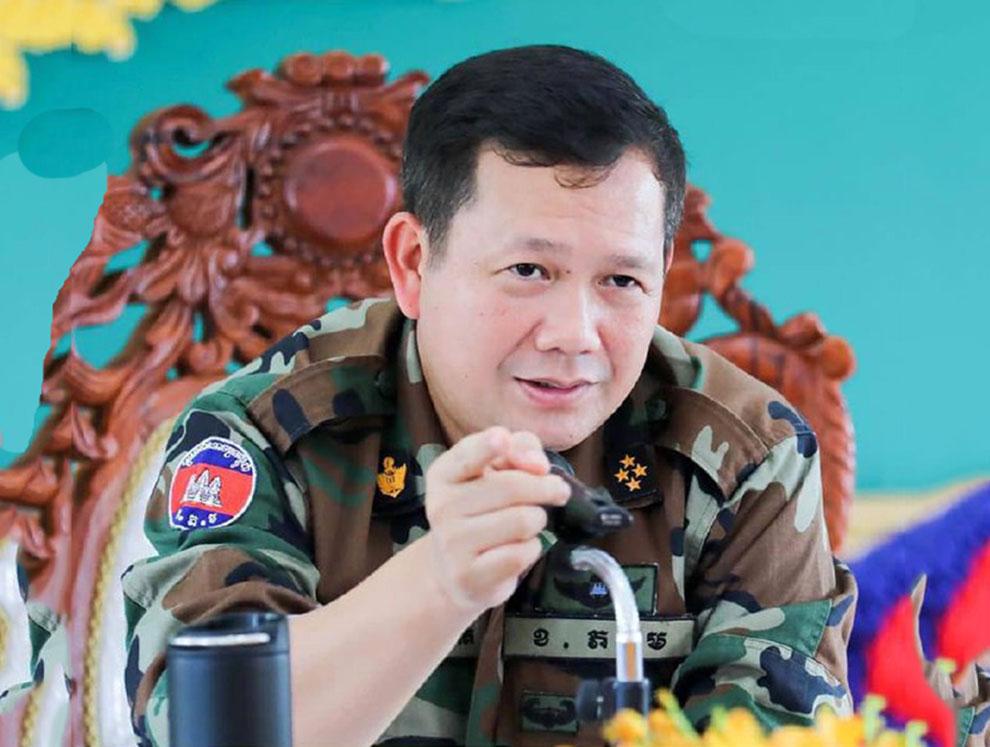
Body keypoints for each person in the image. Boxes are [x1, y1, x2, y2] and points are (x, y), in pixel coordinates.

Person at [122, 45, 856, 747]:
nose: (575, 335)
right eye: (529, 270)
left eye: (621, 281)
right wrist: (440, 580)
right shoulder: (263, 433)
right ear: (414, 263)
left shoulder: (742, 456)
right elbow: (204, 725)